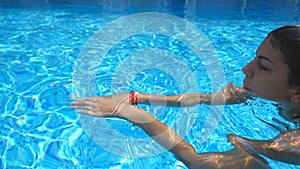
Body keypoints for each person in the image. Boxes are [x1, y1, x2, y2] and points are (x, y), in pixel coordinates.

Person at [70, 25, 300, 168]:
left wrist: (134, 113)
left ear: (296, 93)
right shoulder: (271, 93)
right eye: (254, 58)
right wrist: (137, 97)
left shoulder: (289, 146)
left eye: (263, 66)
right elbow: (210, 98)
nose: (245, 69)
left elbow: (197, 161)